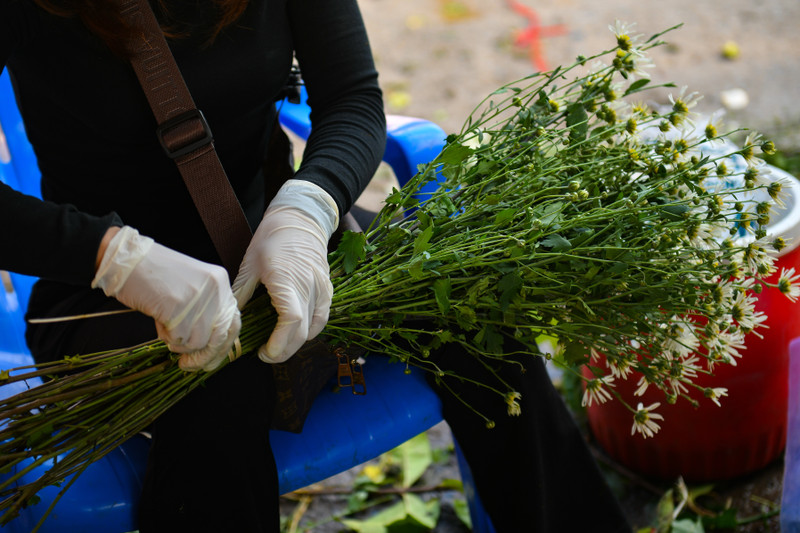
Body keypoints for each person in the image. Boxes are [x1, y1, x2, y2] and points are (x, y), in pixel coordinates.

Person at [0, 0, 631, 531]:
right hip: (104, 294)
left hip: (279, 241)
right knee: (216, 393)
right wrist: (116, 259)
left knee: (473, 302)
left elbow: (352, 95)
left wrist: (311, 204)